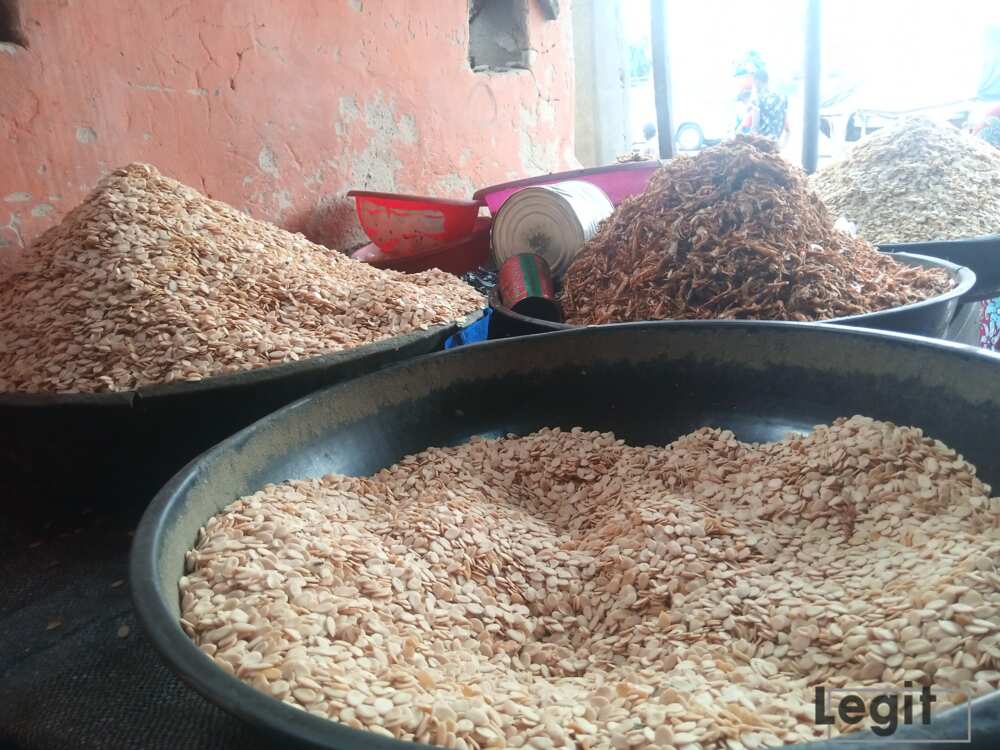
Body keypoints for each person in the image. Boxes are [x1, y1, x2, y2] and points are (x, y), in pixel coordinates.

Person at [749, 69, 789, 143]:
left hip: (762, 145)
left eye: (754, 82)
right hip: (776, 142)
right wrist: (782, 146)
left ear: (757, 81)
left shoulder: (757, 99)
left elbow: (755, 127)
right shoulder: (783, 97)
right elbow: (787, 126)